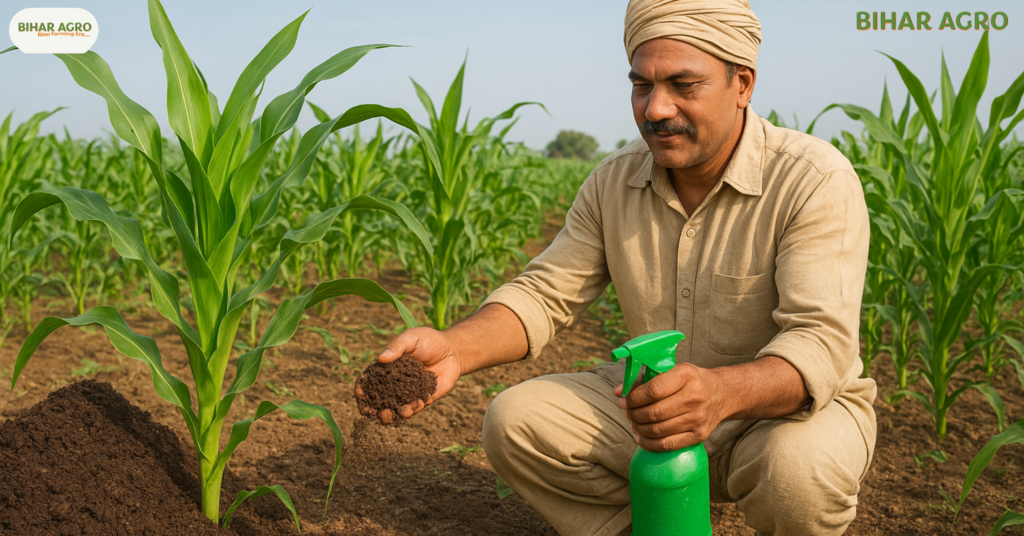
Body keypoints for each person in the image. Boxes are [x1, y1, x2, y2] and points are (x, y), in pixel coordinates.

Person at [355, 0, 876, 534]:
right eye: (642, 86)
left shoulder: (813, 180)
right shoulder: (613, 182)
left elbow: (819, 342)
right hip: (650, 410)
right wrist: (456, 349)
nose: (655, 108)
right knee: (515, 422)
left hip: (780, 419)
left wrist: (719, 393)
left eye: (683, 85)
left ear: (742, 84)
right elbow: (543, 294)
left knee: (798, 473)